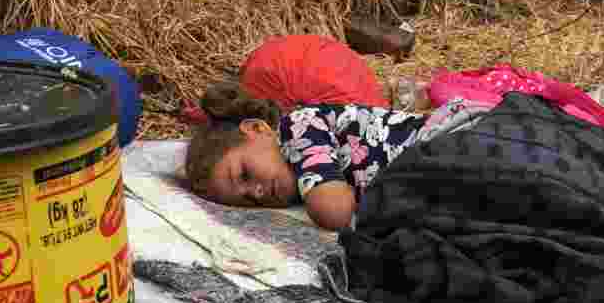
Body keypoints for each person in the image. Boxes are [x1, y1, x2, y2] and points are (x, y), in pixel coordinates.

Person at [183, 82, 427, 231]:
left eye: (245, 174)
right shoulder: (303, 185)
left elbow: (334, 211)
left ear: (258, 129)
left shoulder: (298, 126)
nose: (257, 193)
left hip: (443, 140)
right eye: (248, 200)